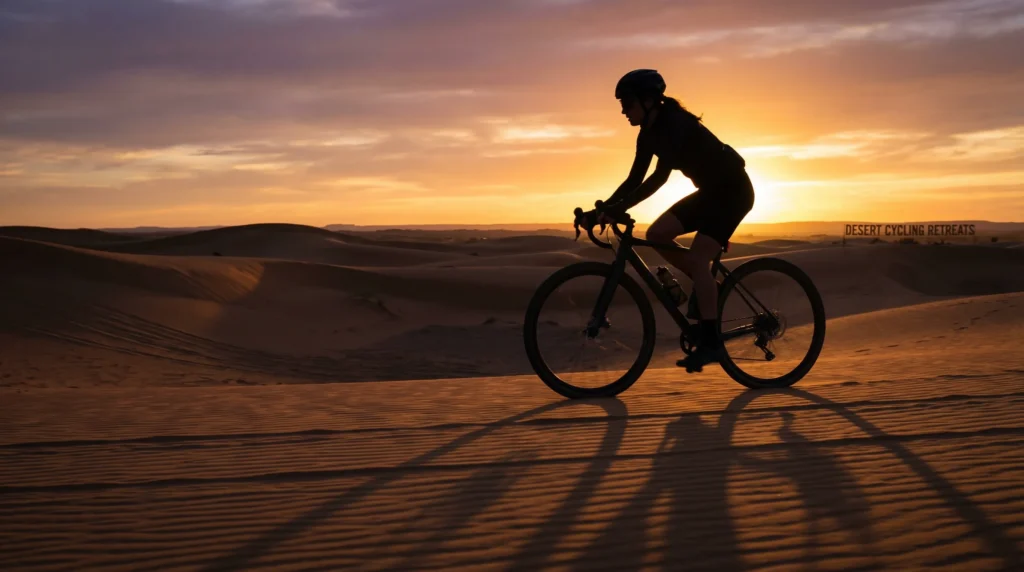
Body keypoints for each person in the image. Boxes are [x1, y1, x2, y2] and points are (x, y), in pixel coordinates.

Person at [598, 69, 755, 370]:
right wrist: (604, 207)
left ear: (648, 100)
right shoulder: (648, 133)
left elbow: (658, 178)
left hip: (733, 192)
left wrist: (618, 208)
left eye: (628, 103)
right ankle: (708, 285)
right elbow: (634, 179)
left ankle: (712, 344)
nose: (622, 111)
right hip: (711, 193)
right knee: (657, 234)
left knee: (698, 261)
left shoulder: (675, 123)